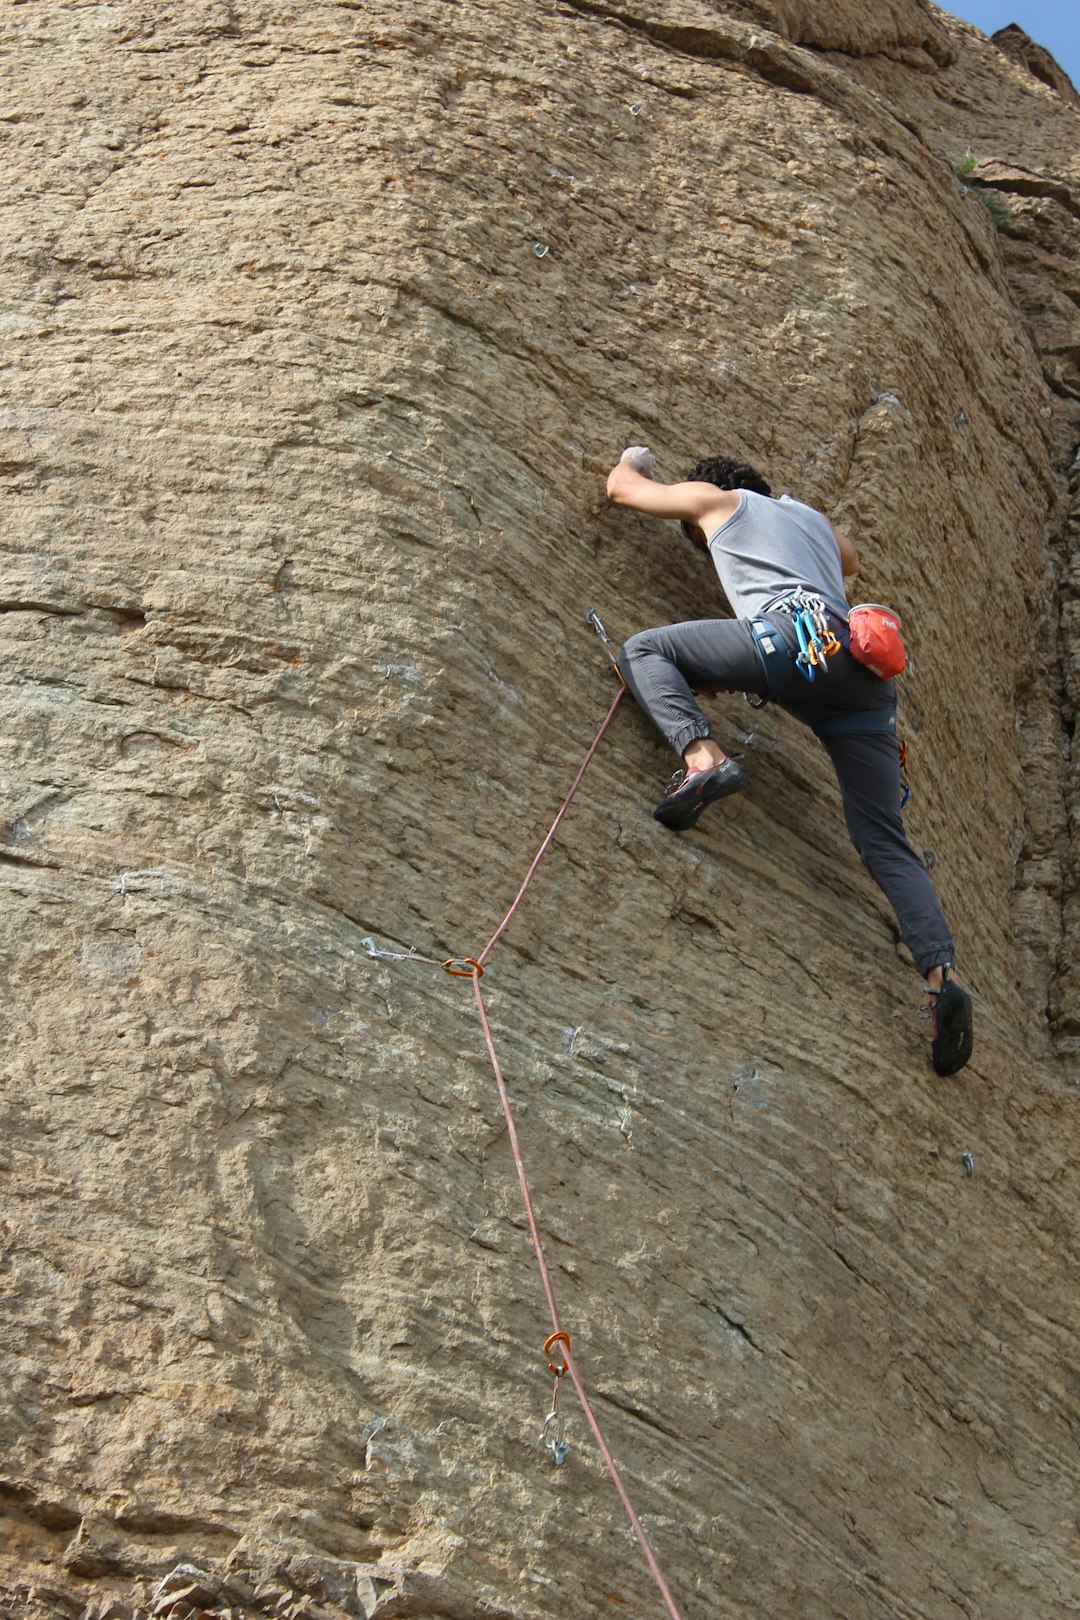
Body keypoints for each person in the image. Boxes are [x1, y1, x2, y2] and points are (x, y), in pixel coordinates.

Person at [606, 445, 974, 1077]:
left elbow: (624, 491)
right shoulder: (805, 518)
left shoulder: (719, 501)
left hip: (791, 639)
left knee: (644, 651)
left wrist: (632, 457)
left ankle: (703, 760)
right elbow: (850, 557)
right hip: (861, 677)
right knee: (884, 839)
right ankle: (943, 976)